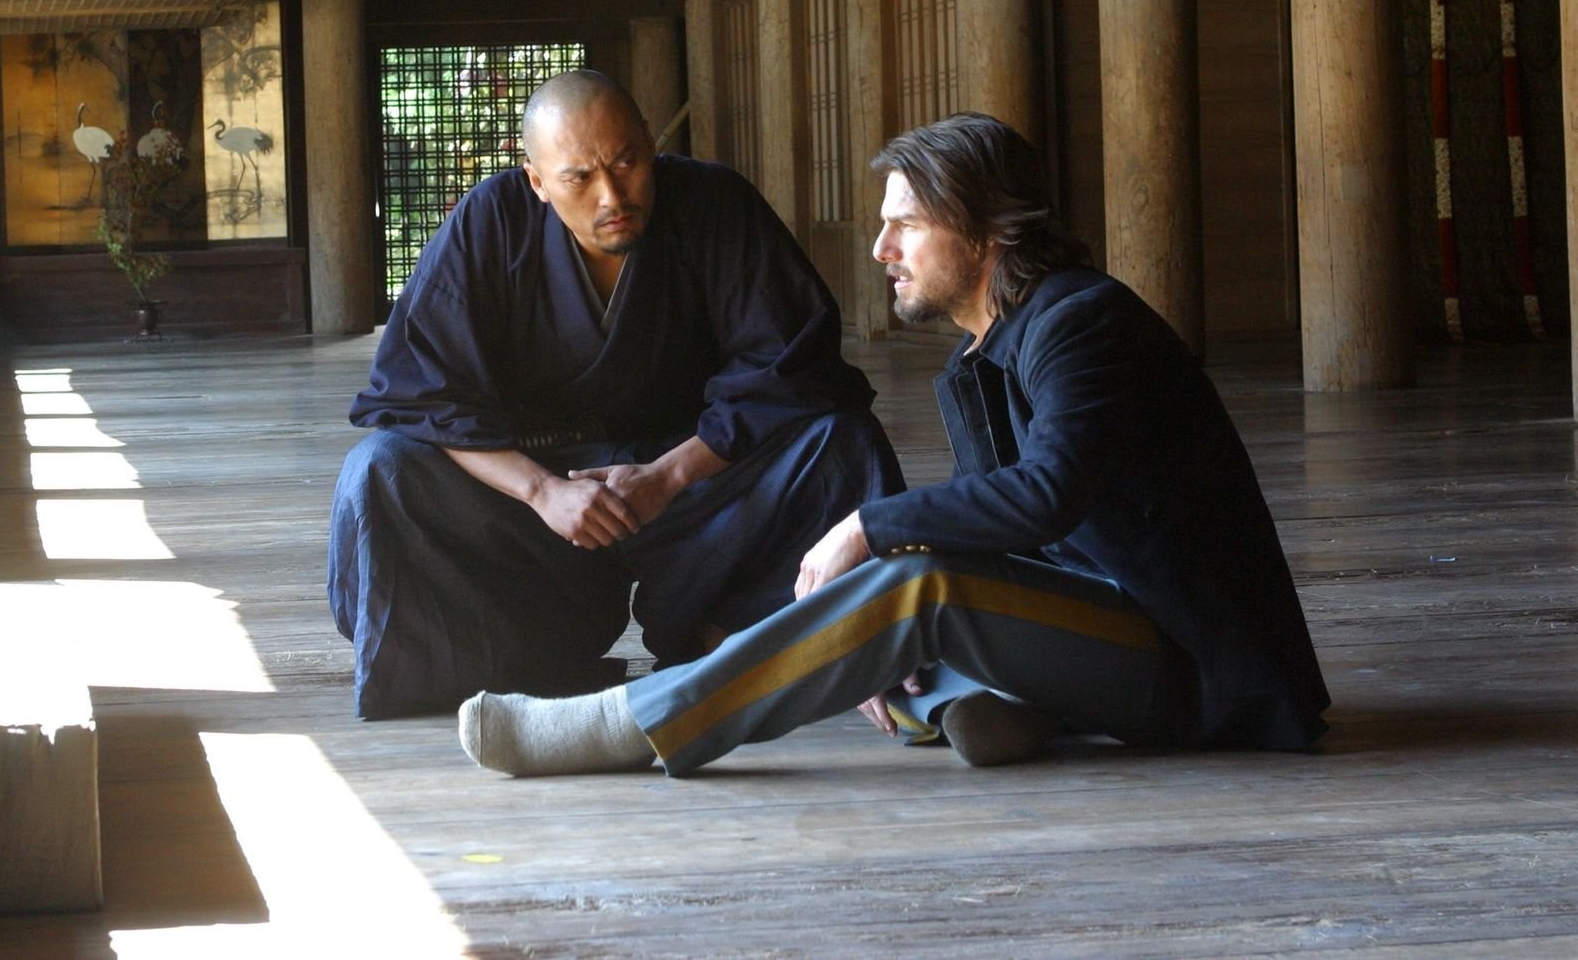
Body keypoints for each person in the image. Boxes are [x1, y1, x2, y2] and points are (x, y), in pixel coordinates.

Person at [457, 112, 1330, 776]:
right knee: (901, 590)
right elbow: (1000, 532)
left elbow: (1046, 493)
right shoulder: (978, 355)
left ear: (988, 230)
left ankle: (630, 722)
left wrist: (868, 529)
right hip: (1092, 623)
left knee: (913, 581)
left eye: (906, 225)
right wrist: (869, 624)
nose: (880, 248)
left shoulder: (1080, 322)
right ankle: (993, 703)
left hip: (1195, 667)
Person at [330, 71, 903, 719]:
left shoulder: (714, 204)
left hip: (697, 484)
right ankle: (523, 656)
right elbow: (422, 391)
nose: (612, 194)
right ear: (538, 182)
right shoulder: (490, 222)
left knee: (841, 441)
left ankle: (777, 637)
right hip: (539, 507)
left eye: (628, 161)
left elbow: (791, 364)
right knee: (380, 469)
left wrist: (668, 475)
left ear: (650, 147)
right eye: (579, 177)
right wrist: (542, 490)